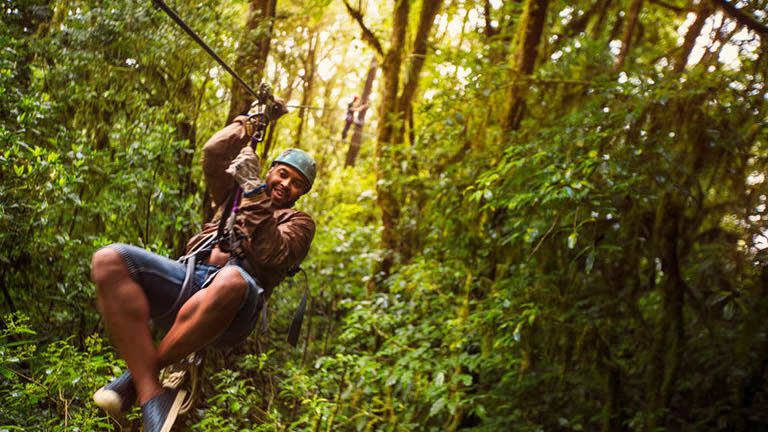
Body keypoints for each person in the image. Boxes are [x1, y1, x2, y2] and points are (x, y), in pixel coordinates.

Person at [90, 113, 317, 432]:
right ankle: (150, 392)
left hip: (235, 307)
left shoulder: (299, 222)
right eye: (282, 174)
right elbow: (213, 154)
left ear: (301, 194)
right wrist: (247, 126)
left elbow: (272, 252)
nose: (286, 185)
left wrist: (254, 189)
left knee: (232, 279)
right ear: (271, 170)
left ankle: (135, 382)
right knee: (110, 259)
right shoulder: (232, 194)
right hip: (189, 281)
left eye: (296, 184)